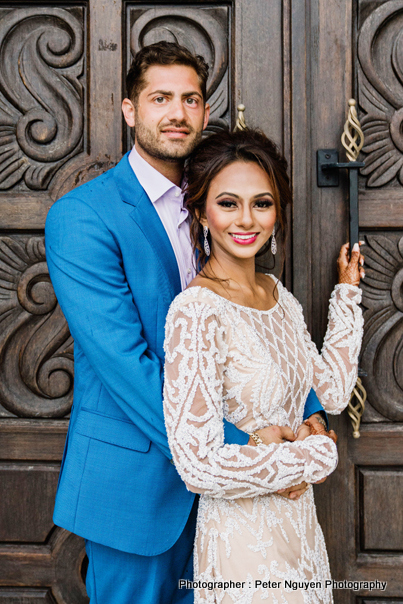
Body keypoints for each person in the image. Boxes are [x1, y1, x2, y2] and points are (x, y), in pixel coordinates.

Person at [45, 42, 329, 604]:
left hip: (234, 506)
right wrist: (243, 447)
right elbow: (127, 366)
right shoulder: (83, 218)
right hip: (139, 488)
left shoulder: (221, 204)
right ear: (130, 110)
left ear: (204, 110)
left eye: (191, 99)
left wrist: (310, 411)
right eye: (160, 98)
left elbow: (255, 322)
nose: (177, 112)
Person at [163, 128, 364, 604]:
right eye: (229, 203)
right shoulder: (196, 311)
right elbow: (197, 463)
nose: (247, 219)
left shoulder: (280, 298)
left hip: (299, 532)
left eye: (263, 203)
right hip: (241, 542)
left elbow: (332, 392)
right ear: (200, 212)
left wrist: (348, 296)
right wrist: (309, 458)